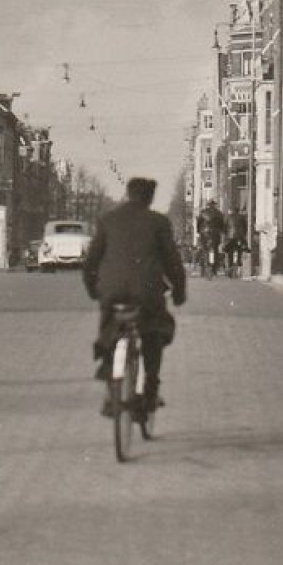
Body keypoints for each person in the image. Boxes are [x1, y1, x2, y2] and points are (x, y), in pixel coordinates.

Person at [83, 176, 187, 417]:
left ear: (129, 194)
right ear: (150, 197)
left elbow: (91, 261)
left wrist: (94, 290)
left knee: (109, 328)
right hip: (147, 292)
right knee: (155, 331)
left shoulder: (107, 220)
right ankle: (149, 388)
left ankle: (110, 379)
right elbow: (172, 261)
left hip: (113, 291)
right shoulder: (158, 221)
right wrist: (179, 290)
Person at [195, 200, 226, 277]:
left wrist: (199, 231)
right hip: (215, 233)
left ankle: (205, 265)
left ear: (208, 205)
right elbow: (222, 224)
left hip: (204, 233)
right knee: (215, 249)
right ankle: (214, 269)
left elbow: (199, 223)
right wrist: (222, 231)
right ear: (214, 205)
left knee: (205, 249)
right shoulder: (218, 213)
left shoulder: (203, 212)